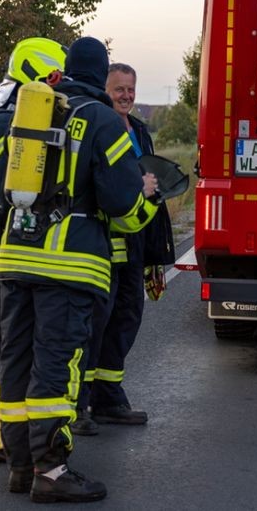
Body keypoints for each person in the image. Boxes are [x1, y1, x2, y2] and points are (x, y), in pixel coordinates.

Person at [0, 37, 160, 503]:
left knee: (16, 362)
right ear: (101, 74)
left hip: (13, 258)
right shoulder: (104, 120)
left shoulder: (34, 111)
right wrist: (149, 197)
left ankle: (21, 467)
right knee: (55, 369)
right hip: (67, 267)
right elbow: (124, 208)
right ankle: (51, 470)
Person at [0, 39, 67, 462]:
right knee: (3, 342)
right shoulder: (2, 124)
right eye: (56, 80)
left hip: (2, 246)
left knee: (0, 340)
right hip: (2, 247)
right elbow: (8, 190)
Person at [72, 63, 175, 435]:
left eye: (130, 89)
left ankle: (108, 398)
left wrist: (154, 255)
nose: (126, 96)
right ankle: (79, 404)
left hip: (134, 244)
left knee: (127, 319)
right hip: (101, 247)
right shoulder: (101, 128)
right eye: (119, 89)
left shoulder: (140, 131)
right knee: (93, 327)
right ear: (104, 90)